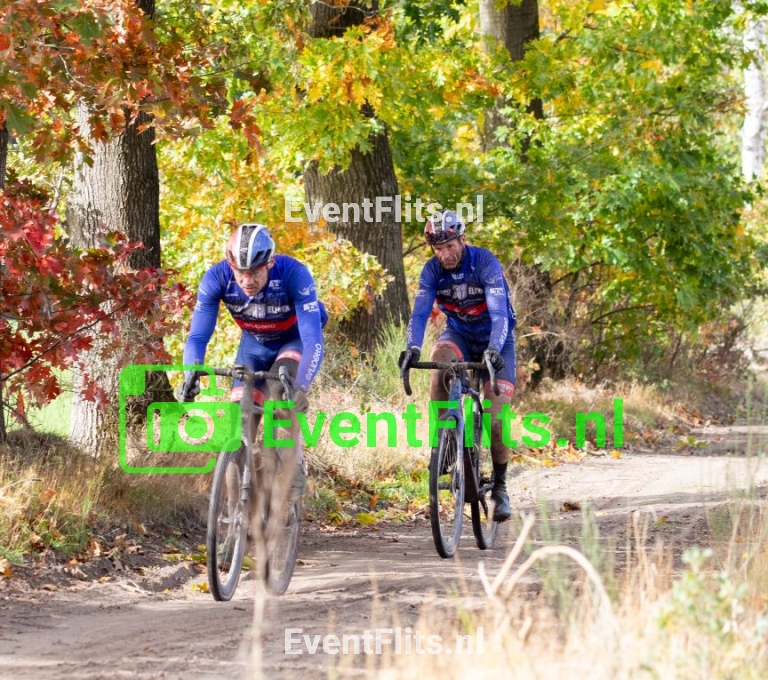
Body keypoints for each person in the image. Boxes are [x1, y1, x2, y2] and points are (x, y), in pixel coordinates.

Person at [178, 222, 327, 498]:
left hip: (292, 340)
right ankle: (237, 515)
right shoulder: (216, 278)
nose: (247, 281)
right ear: (230, 266)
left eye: (255, 272)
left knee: (281, 392)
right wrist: (191, 373)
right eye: (240, 273)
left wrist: (302, 386)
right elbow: (197, 337)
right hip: (254, 347)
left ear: (270, 263)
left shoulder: (294, 273)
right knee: (237, 424)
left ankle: (292, 465)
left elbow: (312, 340)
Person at [399, 210, 516, 522]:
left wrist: (494, 349)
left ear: (462, 240)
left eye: (449, 246)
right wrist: (412, 347)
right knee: (439, 365)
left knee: (496, 418)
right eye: (438, 249)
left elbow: (500, 314)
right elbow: (419, 313)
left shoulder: (484, 262)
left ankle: (500, 486)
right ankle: (447, 442)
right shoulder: (432, 270)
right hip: (460, 335)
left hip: (496, 338)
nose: (445, 254)